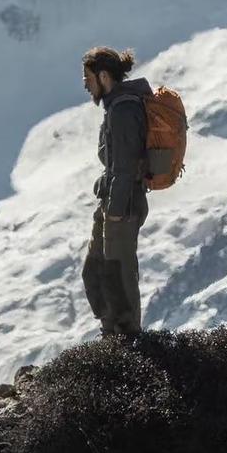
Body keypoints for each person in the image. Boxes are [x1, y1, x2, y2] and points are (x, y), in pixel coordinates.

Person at [80, 45, 152, 340]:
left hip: (122, 205)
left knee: (120, 276)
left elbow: (123, 166)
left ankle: (127, 340)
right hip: (112, 201)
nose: (84, 84)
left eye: (88, 77)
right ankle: (111, 334)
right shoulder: (115, 106)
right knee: (95, 271)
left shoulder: (123, 111)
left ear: (104, 75)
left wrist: (116, 211)